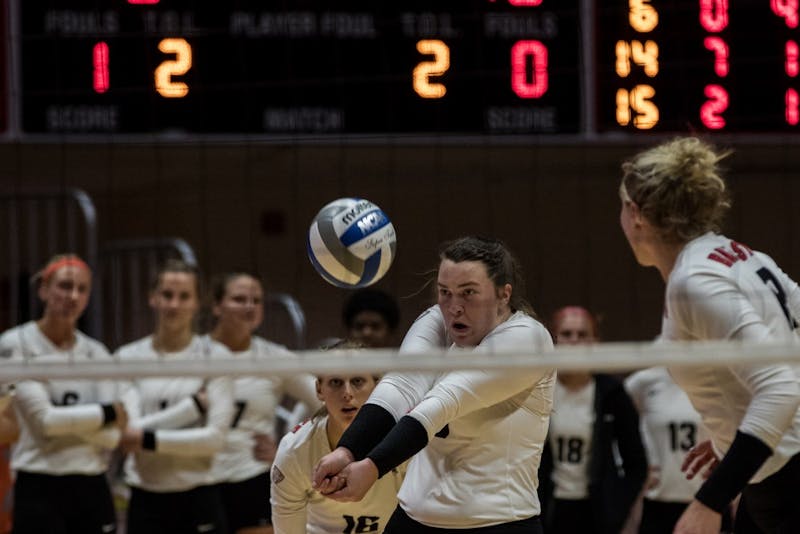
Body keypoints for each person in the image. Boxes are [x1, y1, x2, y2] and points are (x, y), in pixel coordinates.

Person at [313, 236, 556, 533]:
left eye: (468, 293)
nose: (454, 307)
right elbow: (401, 385)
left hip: (497, 522)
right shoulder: (437, 320)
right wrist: (347, 450)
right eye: (445, 292)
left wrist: (372, 467)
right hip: (415, 518)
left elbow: (442, 403)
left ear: (504, 295)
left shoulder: (527, 339)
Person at [619, 136, 800, 533]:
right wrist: (734, 441)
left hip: (787, 474)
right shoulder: (739, 254)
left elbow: (781, 388)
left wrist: (709, 501)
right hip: (773, 469)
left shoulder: (695, 281)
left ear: (636, 214)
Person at [0, 254, 125, 534]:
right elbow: (45, 424)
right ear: (44, 289)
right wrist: (104, 414)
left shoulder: (97, 353)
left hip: (92, 482)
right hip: (38, 481)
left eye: (82, 289)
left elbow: (112, 436)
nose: (73, 296)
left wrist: (63, 423)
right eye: (65, 286)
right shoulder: (15, 343)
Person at [116, 259, 234, 534]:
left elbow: (214, 440)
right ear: (152, 298)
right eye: (167, 295)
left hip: (200, 495)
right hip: (145, 499)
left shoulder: (216, 357)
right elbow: (127, 435)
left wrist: (145, 439)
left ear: (196, 303)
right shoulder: (127, 358)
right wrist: (190, 409)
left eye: (184, 296)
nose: (174, 304)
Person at [207, 272, 320, 534]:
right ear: (216, 305)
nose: (249, 306)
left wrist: (288, 450)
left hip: (251, 478)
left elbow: (325, 402)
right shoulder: (194, 354)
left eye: (256, 300)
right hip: (199, 481)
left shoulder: (274, 357)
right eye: (239, 299)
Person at [270, 340, 403, 534]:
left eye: (357, 381)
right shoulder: (294, 450)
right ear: (319, 390)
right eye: (336, 382)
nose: (347, 393)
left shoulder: (403, 440)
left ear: (377, 386)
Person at [538, 306, 647, 534]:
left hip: (596, 513)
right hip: (547, 509)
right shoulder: (539, 389)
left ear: (595, 342)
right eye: (567, 334)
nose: (575, 341)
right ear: (554, 342)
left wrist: (616, 508)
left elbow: (637, 463)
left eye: (583, 334)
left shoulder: (612, 393)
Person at [624, 366, 709, 534]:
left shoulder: (719, 379)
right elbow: (617, 427)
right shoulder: (643, 381)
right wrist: (636, 467)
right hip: (657, 501)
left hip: (706, 501)